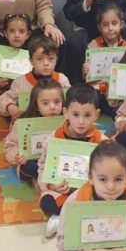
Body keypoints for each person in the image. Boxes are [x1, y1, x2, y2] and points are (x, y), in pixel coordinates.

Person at [38, 84, 108, 237]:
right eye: (75, 115)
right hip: (62, 191)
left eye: (87, 115)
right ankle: (74, 217)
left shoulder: (103, 142)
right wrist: (50, 184)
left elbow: (111, 171)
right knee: (47, 202)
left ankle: (63, 219)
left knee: (105, 199)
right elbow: (43, 166)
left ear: (96, 115)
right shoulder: (53, 140)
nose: (81, 122)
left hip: (89, 191)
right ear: (65, 113)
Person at [4, 79, 65, 182]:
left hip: (57, 162)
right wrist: (17, 156)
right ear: (36, 106)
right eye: (45, 103)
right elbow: (10, 146)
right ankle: (47, 180)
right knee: (26, 167)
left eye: (57, 102)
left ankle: (50, 180)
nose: (52, 107)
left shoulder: (68, 121)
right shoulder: (22, 123)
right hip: (34, 163)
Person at [0, 35, 71, 120]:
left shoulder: (62, 80)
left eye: (51, 58)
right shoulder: (20, 82)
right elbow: (4, 99)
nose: (46, 63)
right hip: (28, 128)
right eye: (39, 59)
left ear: (56, 59)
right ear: (31, 61)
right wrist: (10, 107)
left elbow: (71, 101)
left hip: (57, 126)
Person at [81, 3, 126, 118]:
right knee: (89, 96)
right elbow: (87, 77)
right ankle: (104, 112)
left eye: (114, 23)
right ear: (99, 27)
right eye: (105, 25)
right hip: (99, 90)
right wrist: (85, 71)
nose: (110, 28)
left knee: (124, 99)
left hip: (117, 92)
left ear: (121, 24)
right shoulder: (93, 45)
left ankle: (114, 112)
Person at [0, 14, 32, 107]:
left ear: (27, 34)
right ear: (6, 34)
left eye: (22, 31)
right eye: (12, 31)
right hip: (5, 95)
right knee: (5, 104)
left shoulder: (32, 55)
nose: (17, 35)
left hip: (26, 96)